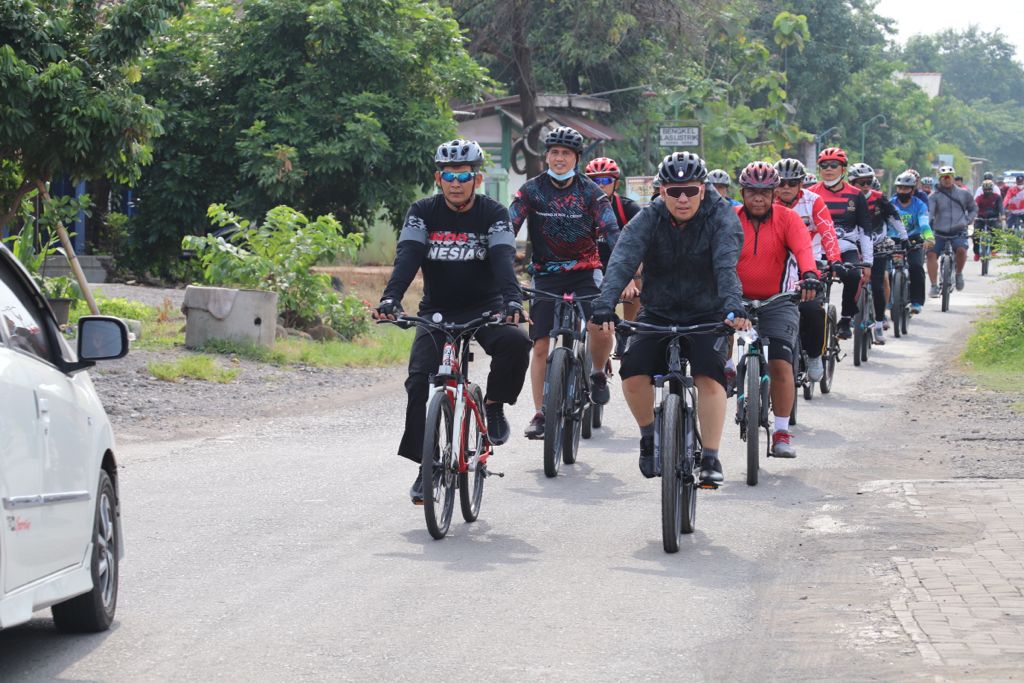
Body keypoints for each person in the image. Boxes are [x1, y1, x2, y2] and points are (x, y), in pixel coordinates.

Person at [375, 139, 532, 504]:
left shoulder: (494, 213)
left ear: (476, 179)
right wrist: (390, 298)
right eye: (449, 175)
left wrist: (512, 300)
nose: (456, 182)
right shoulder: (422, 211)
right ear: (438, 178)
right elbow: (408, 256)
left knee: (516, 342)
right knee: (418, 382)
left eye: (463, 176)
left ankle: (493, 405)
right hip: (437, 310)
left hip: (487, 307)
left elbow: (503, 257)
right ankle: (425, 467)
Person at [590, 152, 748, 483]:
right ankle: (649, 437)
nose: (682, 198)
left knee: (709, 375)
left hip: (706, 312)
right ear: (662, 192)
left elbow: (725, 264)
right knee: (632, 372)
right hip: (658, 311)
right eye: (674, 191)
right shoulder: (649, 217)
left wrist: (733, 305)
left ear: (703, 189)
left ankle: (711, 458)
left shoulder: (722, 216)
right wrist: (606, 302)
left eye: (690, 190)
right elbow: (623, 258)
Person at [509, 126, 623, 439]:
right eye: (554, 152)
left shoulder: (591, 193)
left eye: (566, 153)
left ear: (576, 158)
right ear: (546, 155)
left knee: (601, 326)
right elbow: (509, 226)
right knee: (541, 345)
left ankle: (598, 372)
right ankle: (539, 414)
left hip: (585, 271)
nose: (559, 158)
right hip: (545, 274)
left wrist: (621, 272)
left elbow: (612, 233)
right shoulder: (531, 190)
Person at [734, 161, 820, 458]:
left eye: (765, 192)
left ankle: (782, 431)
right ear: (742, 193)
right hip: (735, 300)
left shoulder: (788, 219)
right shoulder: (730, 219)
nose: (758, 198)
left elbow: (803, 250)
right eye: (752, 192)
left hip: (778, 301)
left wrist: (809, 274)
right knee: (712, 357)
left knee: (782, 364)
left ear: (774, 195)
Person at [773, 157, 842, 383]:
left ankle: (814, 355)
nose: (785, 188)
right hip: (776, 266)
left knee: (812, 309)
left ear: (801, 183)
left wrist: (834, 260)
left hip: (809, 264)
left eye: (791, 183)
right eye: (781, 183)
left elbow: (828, 232)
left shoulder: (814, 201)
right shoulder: (766, 202)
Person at [809, 147, 872, 340]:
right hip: (818, 250)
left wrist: (868, 263)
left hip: (846, 247)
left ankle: (845, 319)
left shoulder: (856, 195)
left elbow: (865, 230)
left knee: (854, 276)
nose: (828, 169)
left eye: (834, 165)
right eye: (824, 165)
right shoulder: (810, 193)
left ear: (843, 168)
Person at [584, 156, 642, 357]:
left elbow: (639, 247)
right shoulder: (579, 208)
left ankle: (627, 329)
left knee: (636, 284)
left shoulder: (628, 209)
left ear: (615, 183)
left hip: (622, 266)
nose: (600, 186)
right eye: (595, 181)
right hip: (589, 267)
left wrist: (630, 278)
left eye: (606, 181)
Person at [849, 162, 906, 345]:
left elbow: (894, 217)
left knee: (878, 283)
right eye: (860, 182)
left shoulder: (879, 197)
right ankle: (848, 315)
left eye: (868, 182)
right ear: (852, 182)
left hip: (878, 245)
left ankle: (879, 323)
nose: (865, 186)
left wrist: (903, 236)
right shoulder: (846, 198)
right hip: (854, 245)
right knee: (850, 279)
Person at [927, 166, 977, 294]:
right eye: (943, 177)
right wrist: (926, 230)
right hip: (939, 232)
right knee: (931, 254)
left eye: (949, 177)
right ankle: (933, 285)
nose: (946, 180)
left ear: (953, 177)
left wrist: (968, 220)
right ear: (939, 179)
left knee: (961, 250)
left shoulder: (964, 194)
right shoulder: (934, 196)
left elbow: (973, 208)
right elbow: (929, 214)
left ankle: (959, 273)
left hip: (958, 231)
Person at [891, 172, 934, 315]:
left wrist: (929, 237)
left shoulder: (919, 205)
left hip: (913, 240)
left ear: (912, 189)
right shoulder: (890, 204)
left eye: (906, 188)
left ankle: (916, 301)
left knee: (916, 267)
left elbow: (924, 223)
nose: (902, 191)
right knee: (885, 270)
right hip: (893, 240)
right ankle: (888, 300)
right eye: (900, 188)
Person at [973, 179, 1003, 261]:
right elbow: (974, 207)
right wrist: (973, 216)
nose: (987, 191)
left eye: (989, 189)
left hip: (993, 219)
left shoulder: (997, 197)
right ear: (983, 190)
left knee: (997, 232)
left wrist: (1002, 215)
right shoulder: (979, 198)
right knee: (975, 234)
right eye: (986, 190)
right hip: (981, 219)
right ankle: (976, 253)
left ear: (992, 189)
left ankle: (994, 250)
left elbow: (1001, 207)